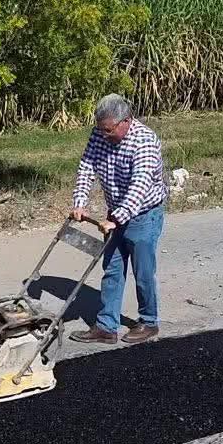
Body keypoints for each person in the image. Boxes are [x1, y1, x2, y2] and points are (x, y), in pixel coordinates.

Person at [68, 94, 168, 345]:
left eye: (108, 130)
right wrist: (80, 203)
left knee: (143, 272)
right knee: (111, 269)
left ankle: (148, 321)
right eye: (100, 129)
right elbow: (87, 166)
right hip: (116, 212)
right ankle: (106, 326)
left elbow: (140, 185)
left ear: (126, 121)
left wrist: (118, 218)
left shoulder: (144, 140)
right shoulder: (100, 133)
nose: (103, 135)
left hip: (144, 214)